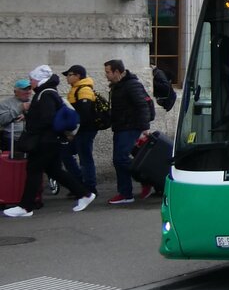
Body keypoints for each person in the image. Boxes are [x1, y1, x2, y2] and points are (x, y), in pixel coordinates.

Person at [2, 65, 95, 217]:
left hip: (44, 141)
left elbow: (47, 118)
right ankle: (84, 194)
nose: (30, 83)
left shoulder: (45, 94)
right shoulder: (47, 93)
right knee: (54, 170)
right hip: (50, 140)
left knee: (34, 170)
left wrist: (31, 120)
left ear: (39, 80)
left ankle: (25, 207)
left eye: (32, 79)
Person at [103, 59, 152, 205]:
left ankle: (141, 181)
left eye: (108, 72)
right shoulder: (118, 85)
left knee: (121, 159)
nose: (106, 75)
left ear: (117, 72)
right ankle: (128, 191)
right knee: (119, 160)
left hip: (130, 127)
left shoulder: (131, 85)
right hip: (121, 127)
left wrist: (145, 128)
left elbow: (142, 105)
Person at [61, 64, 99, 197]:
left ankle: (89, 188)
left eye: (69, 75)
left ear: (77, 76)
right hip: (79, 130)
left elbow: (84, 115)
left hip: (85, 130)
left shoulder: (84, 90)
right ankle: (78, 184)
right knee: (65, 153)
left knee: (85, 158)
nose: (67, 78)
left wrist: (73, 133)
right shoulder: (75, 89)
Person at [0, 77, 30, 148]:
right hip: (12, 139)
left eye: (29, 89)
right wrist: (19, 109)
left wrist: (27, 115)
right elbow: (2, 120)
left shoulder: (34, 102)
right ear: (15, 91)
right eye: (24, 89)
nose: (28, 92)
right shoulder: (5, 103)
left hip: (31, 139)